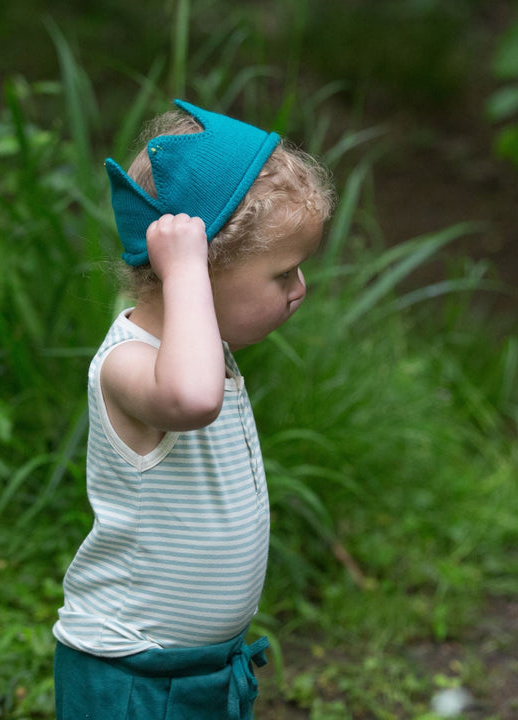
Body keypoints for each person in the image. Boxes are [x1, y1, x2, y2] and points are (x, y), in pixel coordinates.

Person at [53, 99, 335, 720]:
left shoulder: (203, 354)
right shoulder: (131, 366)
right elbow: (193, 400)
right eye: (282, 273)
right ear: (196, 272)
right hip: (132, 677)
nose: (299, 289)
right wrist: (184, 272)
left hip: (200, 669)